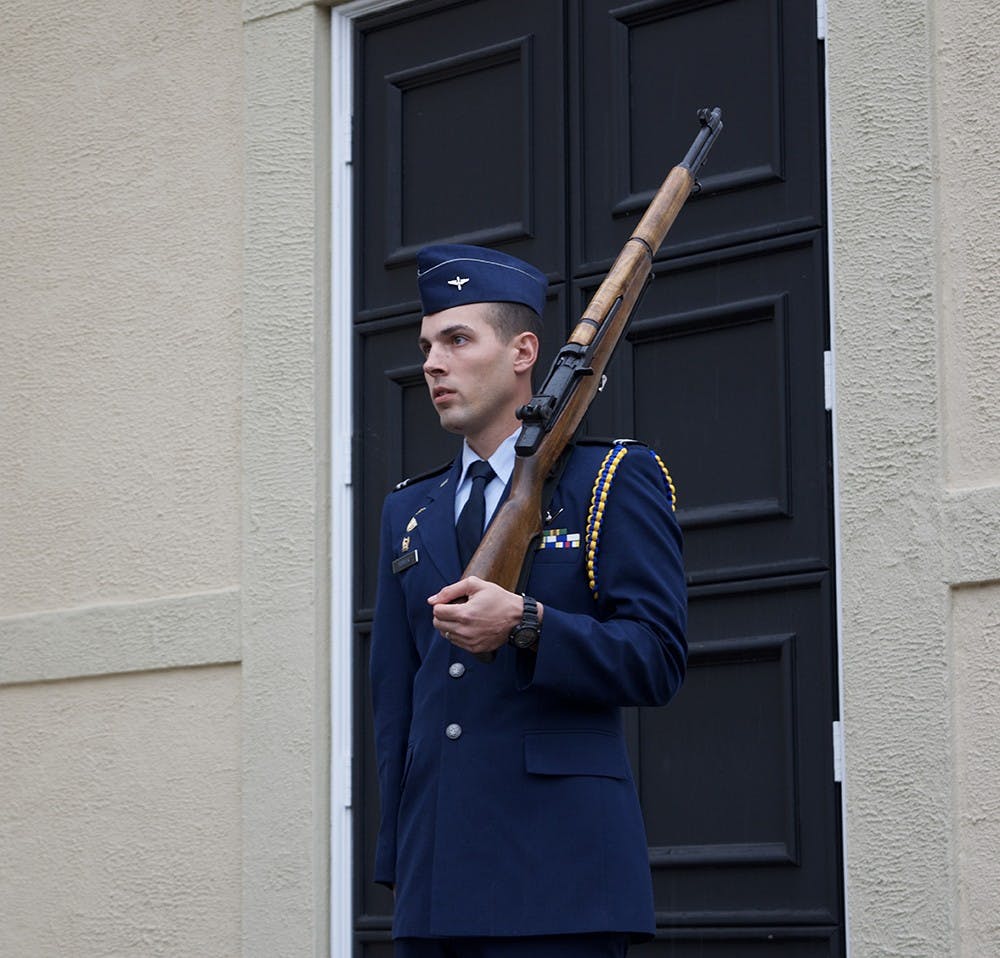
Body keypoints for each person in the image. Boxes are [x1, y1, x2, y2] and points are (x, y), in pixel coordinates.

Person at [370, 243, 687, 958]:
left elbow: (658, 657)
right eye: (426, 345)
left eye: (457, 339)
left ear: (522, 353)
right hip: (437, 882)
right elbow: (397, 698)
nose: (432, 363)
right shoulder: (408, 511)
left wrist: (527, 623)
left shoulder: (609, 479)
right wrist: (401, 860)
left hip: (561, 875)